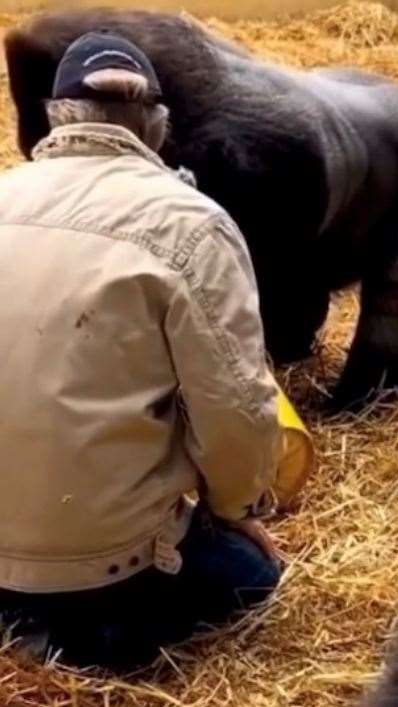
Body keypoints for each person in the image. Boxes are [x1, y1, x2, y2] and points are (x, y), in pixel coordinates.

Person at [0, 32, 283, 671]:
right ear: (155, 126)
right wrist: (236, 507)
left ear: (55, 118)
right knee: (257, 576)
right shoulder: (192, 224)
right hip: (106, 570)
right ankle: (85, 635)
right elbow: (235, 408)